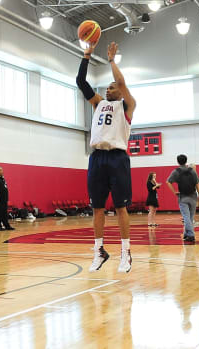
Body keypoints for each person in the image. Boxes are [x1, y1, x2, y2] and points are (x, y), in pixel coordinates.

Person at [78, 41, 136, 273]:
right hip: (97, 158)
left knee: (121, 208)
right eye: (107, 88)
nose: (108, 90)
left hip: (117, 158)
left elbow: (121, 82)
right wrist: (86, 55)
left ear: (120, 92)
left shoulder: (128, 106)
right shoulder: (98, 104)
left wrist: (112, 60)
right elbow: (81, 83)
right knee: (97, 208)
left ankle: (126, 252)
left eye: (111, 88)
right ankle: (99, 250)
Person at [166, 155, 199, 243]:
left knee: (186, 217)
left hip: (183, 197)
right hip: (193, 196)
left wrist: (174, 192)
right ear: (186, 161)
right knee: (190, 217)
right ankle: (186, 234)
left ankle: (190, 235)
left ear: (178, 162)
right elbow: (197, 183)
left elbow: (168, 182)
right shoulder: (192, 171)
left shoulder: (176, 171)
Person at [0, 167, 14, 231]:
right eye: (0, 170)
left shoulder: (2, 179)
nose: (2, 171)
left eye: (2, 170)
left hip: (4, 199)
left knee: (4, 213)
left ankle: (6, 225)